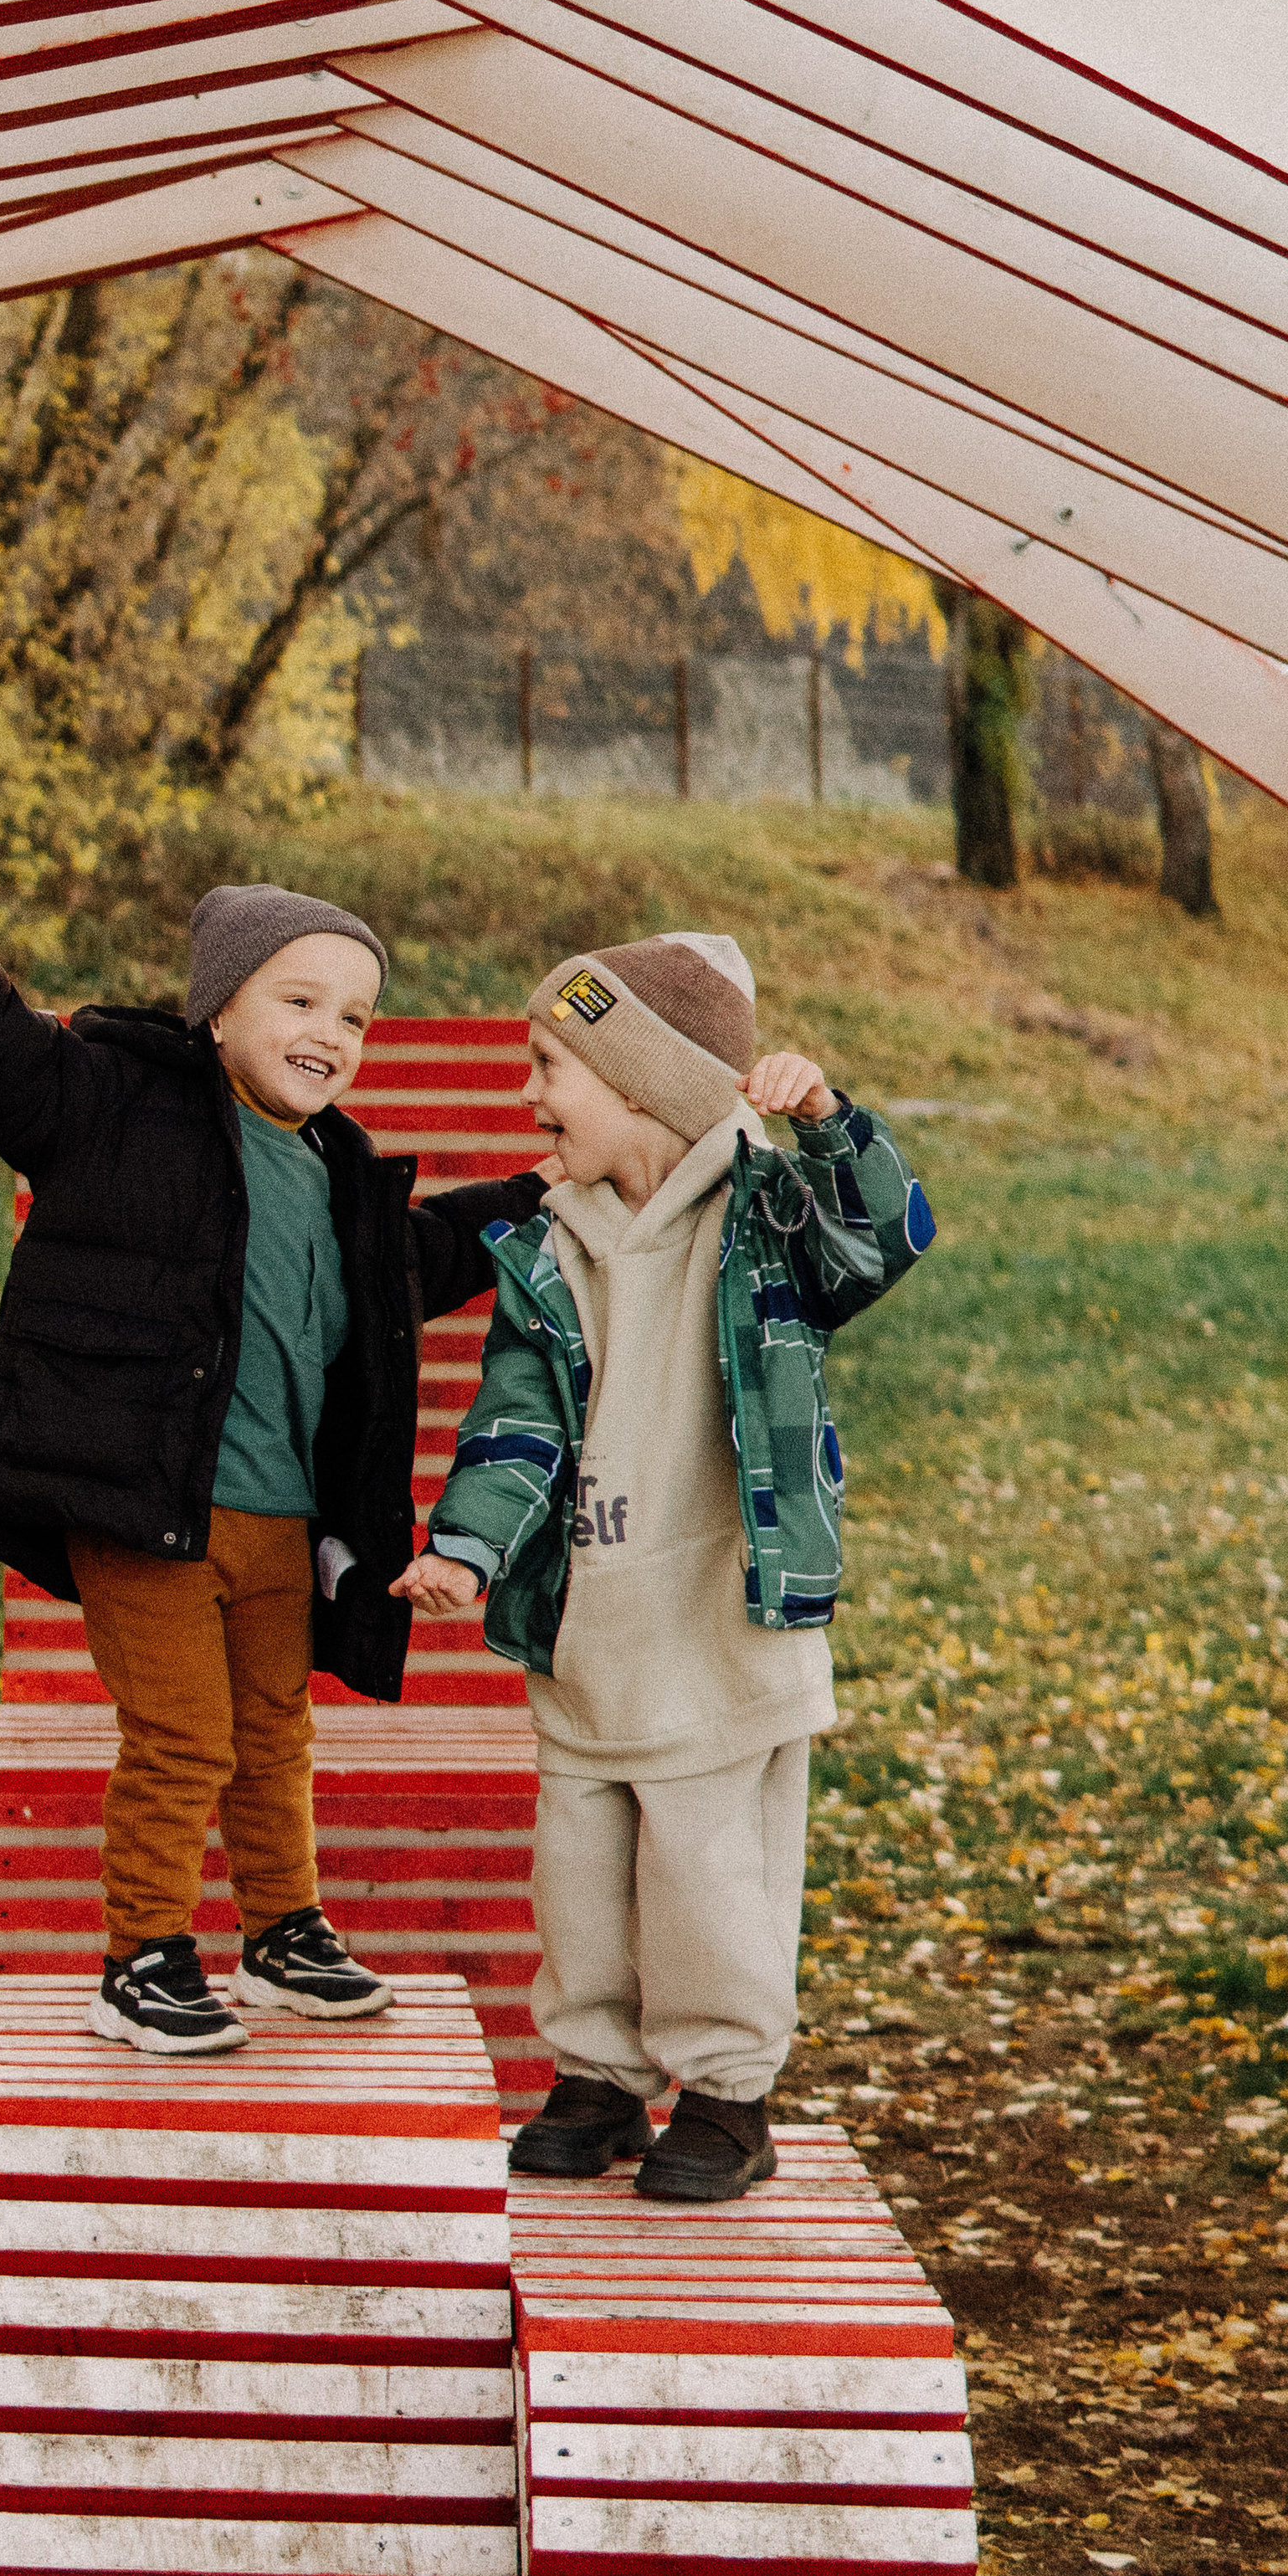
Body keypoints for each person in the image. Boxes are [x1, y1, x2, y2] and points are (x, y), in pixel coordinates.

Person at [0, 843, 552, 2057]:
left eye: (356, 1016)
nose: (331, 1032)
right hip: (149, 1506)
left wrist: (540, 1192)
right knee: (185, 1735)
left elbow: (418, 1262)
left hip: (282, 1519)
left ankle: (282, 1930)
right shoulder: (114, 1106)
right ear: (218, 1007)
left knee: (275, 1730)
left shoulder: (341, 1171)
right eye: (299, 1000)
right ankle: (142, 1959)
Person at [392, 934, 933, 2200]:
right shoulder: (545, 1243)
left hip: (719, 1614)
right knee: (578, 1861)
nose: (528, 1098)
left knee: (705, 1866)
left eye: (548, 1067)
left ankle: (728, 2093)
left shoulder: (765, 1211)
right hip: (594, 1619)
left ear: (638, 1082)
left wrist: (829, 1122)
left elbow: (885, 1239)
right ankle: (598, 2072)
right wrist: (469, 1549)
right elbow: (516, 1417)